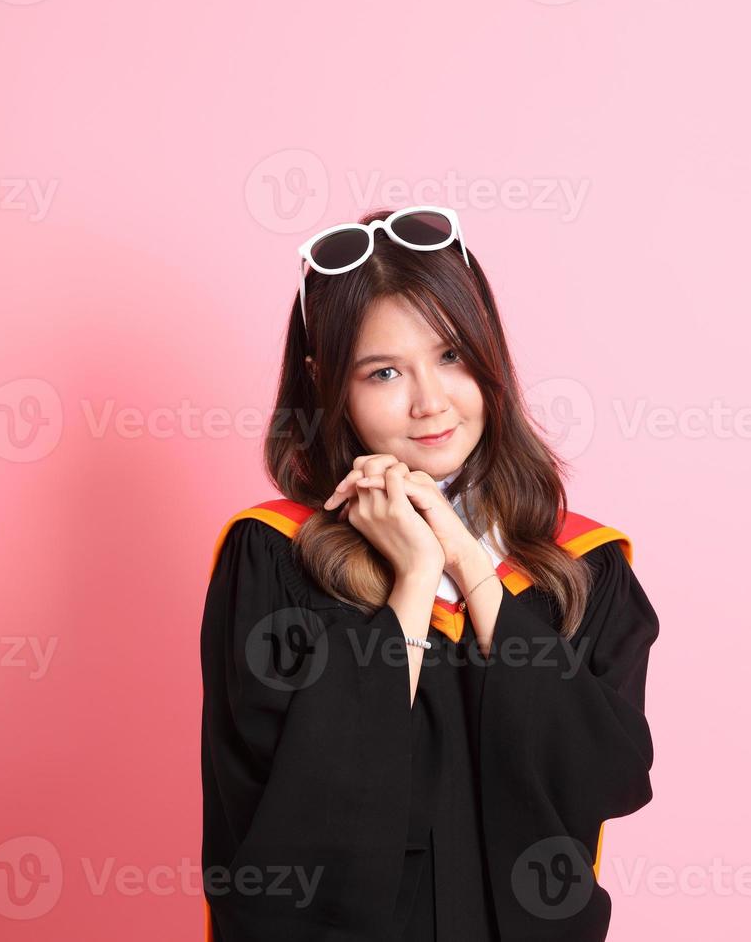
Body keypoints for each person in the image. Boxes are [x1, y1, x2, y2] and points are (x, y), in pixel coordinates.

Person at [200, 206, 660, 941]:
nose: (430, 402)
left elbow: (603, 773)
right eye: (384, 372)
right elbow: (295, 804)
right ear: (328, 387)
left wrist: (468, 562)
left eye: (451, 356)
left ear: (490, 354)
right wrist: (414, 582)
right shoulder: (274, 557)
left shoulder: (584, 565)